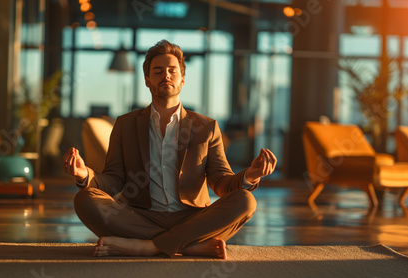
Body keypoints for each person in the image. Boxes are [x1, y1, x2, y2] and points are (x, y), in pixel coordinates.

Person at [62, 40, 277, 259]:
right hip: (141, 216)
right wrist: (84, 174)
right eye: (158, 71)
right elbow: (114, 179)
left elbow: (221, 181)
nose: (166, 75)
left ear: (182, 80)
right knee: (85, 198)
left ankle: (145, 247)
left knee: (245, 200)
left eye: (172, 71)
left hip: (192, 217)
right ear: (147, 80)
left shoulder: (207, 127)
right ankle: (186, 245)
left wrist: (251, 176)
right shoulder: (125, 124)